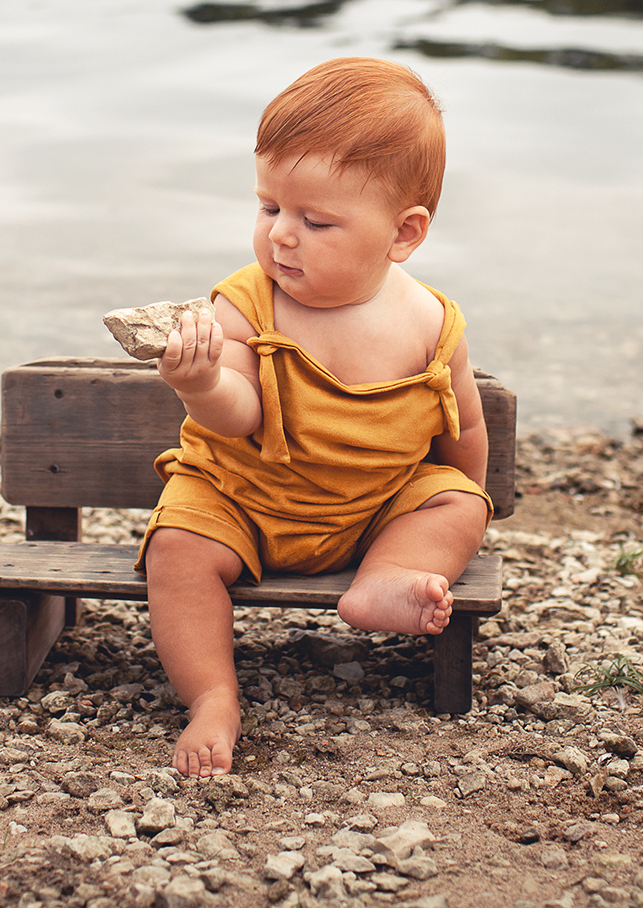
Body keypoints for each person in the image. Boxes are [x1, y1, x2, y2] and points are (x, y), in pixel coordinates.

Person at [138, 57, 493, 777]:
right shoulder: (247, 303)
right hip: (241, 500)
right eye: (269, 207)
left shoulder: (431, 324)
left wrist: (468, 506)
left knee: (455, 502)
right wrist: (201, 383)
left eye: (316, 220)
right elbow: (239, 412)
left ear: (403, 233)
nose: (281, 236)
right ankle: (212, 696)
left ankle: (387, 578)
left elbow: (465, 430)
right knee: (176, 548)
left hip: (369, 512)